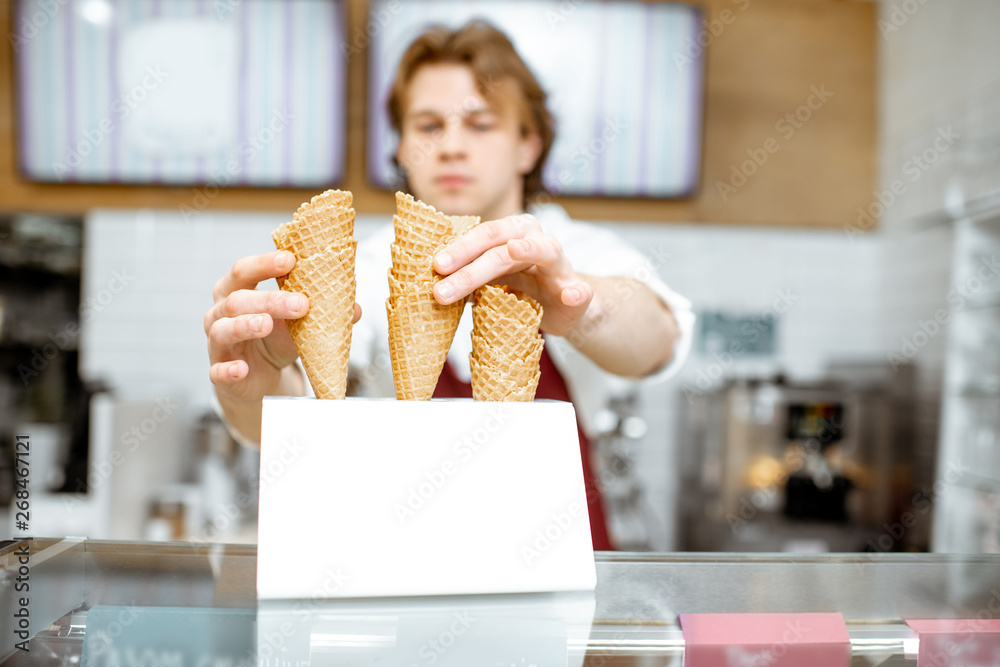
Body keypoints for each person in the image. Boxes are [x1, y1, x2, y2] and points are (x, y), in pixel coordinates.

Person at [204, 21, 694, 550]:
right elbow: (287, 415)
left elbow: (660, 339)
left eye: (481, 124)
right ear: (400, 147)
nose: (452, 147)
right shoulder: (365, 267)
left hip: (559, 565)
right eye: (428, 125)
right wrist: (255, 389)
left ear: (528, 146)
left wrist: (584, 307)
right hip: (401, 570)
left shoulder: (575, 250)